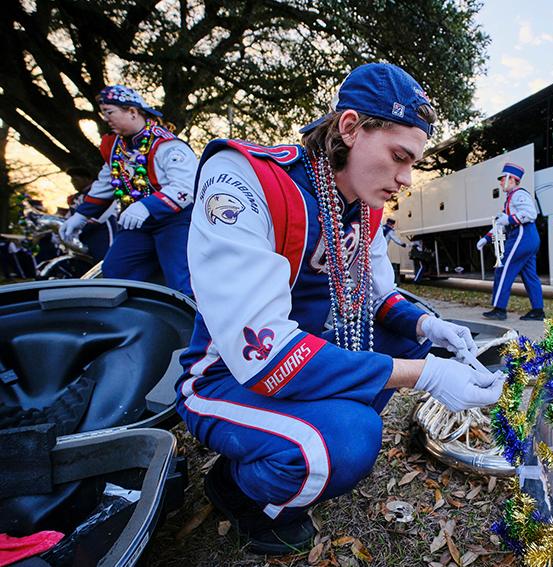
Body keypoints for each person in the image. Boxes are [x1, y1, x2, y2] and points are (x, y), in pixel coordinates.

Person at [177, 63, 505, 555]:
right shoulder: (248, 180)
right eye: (398, 157)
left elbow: (378, 297)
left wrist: (429, 326)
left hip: (300, 359)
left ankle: (302, 437)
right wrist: (427, 376)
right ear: (349, 127)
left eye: (412, 163)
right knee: (350, 440)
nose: (405, 179)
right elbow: (262, 353)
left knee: (406, 334)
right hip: (228, 375)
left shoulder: (367, 207)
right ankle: (240, 491)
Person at [59, 85, 196, 296]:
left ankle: (193, 325)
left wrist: (146, 206)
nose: (106, 119)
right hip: (138, 224)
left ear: (132, 112)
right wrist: (80, 216)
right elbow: (105, 184)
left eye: (110, 112)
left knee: (181, 280)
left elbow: (186, 188)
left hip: (174, 222)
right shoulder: (116, 148)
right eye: (104, 114)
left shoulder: (167, 145)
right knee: (115, 270)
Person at [476, 163, 545, 321]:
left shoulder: (519, 195)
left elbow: (530, 214)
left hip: (522, 236)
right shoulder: (511, 198)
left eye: (502, 179)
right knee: (530, 275)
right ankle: (538, 311)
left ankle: (499, 309)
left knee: (503, 268)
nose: (500, 182)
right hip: (528, 238)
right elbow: (501, 224)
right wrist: (486, 239)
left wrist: (509, 219)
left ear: (511, 179)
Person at [64, 166, 118, 263]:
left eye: (75, 179)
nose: (72, 182)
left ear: (87, 179)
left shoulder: (100, 192)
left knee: (105, 259)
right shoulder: (76, 198)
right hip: (85, 234)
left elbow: (103, 215)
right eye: (71, 179)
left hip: (102, 231)